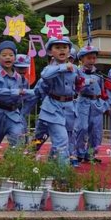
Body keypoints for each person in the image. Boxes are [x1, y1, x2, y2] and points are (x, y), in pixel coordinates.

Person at [36, 36, 83, 165]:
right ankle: (62, 173)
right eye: (57, 47)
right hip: (52, 108)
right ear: (50, 52)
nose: (62, 50)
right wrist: (63, 67)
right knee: (54, 140)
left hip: (69, 108)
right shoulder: (49, 69)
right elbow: (45, 75)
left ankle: (53, 166)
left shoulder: (75, 69)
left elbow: (79, 84)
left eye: (64, 47)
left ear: (69, 50)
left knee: (59, 139)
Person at [0, 41, 34, 153]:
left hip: (13, 115)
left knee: (18, 141)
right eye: (4, 55)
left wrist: (23, 112)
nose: (8, 57)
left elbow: (25, 98)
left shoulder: (20, 78)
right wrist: (16, 92)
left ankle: (12, 161)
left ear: (15, 58)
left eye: (11, 55)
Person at [74, 45, 107, 164]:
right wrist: (87, 81)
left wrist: (105, 104)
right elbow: (76, 87)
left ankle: (91, 154)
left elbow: (103, 90)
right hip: (83, 101)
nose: (91, 60)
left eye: (94, 58)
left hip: (96, 103)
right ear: (82, 59)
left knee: (96, 130)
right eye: (88, 58)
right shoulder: (77, 71)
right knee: (82, 128)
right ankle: (79, 153)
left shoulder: (98, 73)